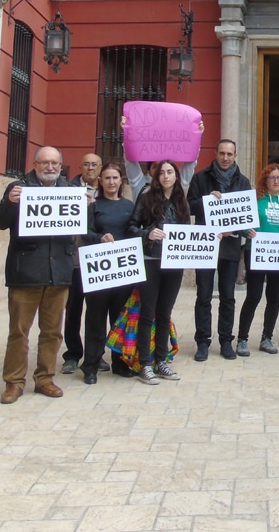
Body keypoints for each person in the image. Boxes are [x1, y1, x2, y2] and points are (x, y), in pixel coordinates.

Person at [0, 146, 75, 404]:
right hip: (26, 271)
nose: (50, 168)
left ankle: (45, 378)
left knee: (52, 331)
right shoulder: (19, 187)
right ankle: (14, 382)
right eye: (44, 163)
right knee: (19, 330)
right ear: (35, 165)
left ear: (61, 166)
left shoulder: (70, 191)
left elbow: (83, 224)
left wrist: (87, 206)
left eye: (54, 163)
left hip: (58, 271)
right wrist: (9, 203)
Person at [186, 139, 252, 361]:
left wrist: (242, 230)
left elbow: (245, 215)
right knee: (203, 295)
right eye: (222, 153)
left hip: (231, 245)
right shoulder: (200, 178)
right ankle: (202, 342)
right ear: (215, 153)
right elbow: (189, 206)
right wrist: (207, 201)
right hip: (205, 243)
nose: (225, 158)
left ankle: (226, 341)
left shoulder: (243, 182)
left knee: (228, 296)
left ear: (235, 156)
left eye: (229, 154)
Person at [126, 160, 190, 384]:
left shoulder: (182, 201)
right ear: (156, 176)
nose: (165, 176)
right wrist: (148, 233)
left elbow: (188, 231)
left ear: (176, 176)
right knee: (148, 313)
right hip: (150, 260)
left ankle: (161, 361)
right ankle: (145, 364)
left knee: (165, 313)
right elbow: (131, 227)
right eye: (162, 172)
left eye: (170, 172)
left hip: (173, 263)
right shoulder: (145, 197)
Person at [78, 160, 132, 384]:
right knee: (95, 318)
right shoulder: (93, 205)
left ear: (121, 181)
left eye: (115, 178)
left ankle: (119, 362)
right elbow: (85, 232)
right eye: (107, 178)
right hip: (98, 270)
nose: (111, 182)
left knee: (119, 319)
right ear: (101, 181)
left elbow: (135, 230)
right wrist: (99, 238)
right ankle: (90, 364)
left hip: (124, 270)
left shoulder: (130, 206)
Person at [237, 164, 279, 356]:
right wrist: (247, 231)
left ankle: (266, 337)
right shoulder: (256, 200)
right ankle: (242, 339)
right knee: (253, 295)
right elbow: (243, 224)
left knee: (274, 297)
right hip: (256, 253)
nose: (276, 181)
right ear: (265, 180)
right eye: (272, 178)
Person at [61, 152, 104, 376]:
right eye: (86, 164)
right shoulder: (67, 190)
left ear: (100, 168)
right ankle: (72, 354)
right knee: (73, 311)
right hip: (74, 261)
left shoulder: (107, 190)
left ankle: (95, 354)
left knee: (96, 312)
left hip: (99, 263)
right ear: (80, 166)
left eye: (94, 165)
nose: (90, 168)